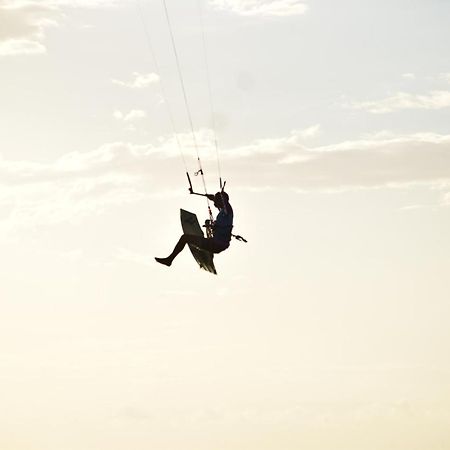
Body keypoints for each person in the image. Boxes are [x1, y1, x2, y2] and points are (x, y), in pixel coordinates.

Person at [155, 191, 233, 267]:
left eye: (216, 201)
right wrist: (212, 197)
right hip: (217, 243)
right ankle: (207, 252)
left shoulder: (228, 211)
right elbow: (218, 201)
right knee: (201, 236)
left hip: (216, 244)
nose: (214, 203)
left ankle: (169, 260)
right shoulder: (223, 211)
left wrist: (221, 196)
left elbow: (225, 203)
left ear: (222, 200)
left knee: (184, 238)